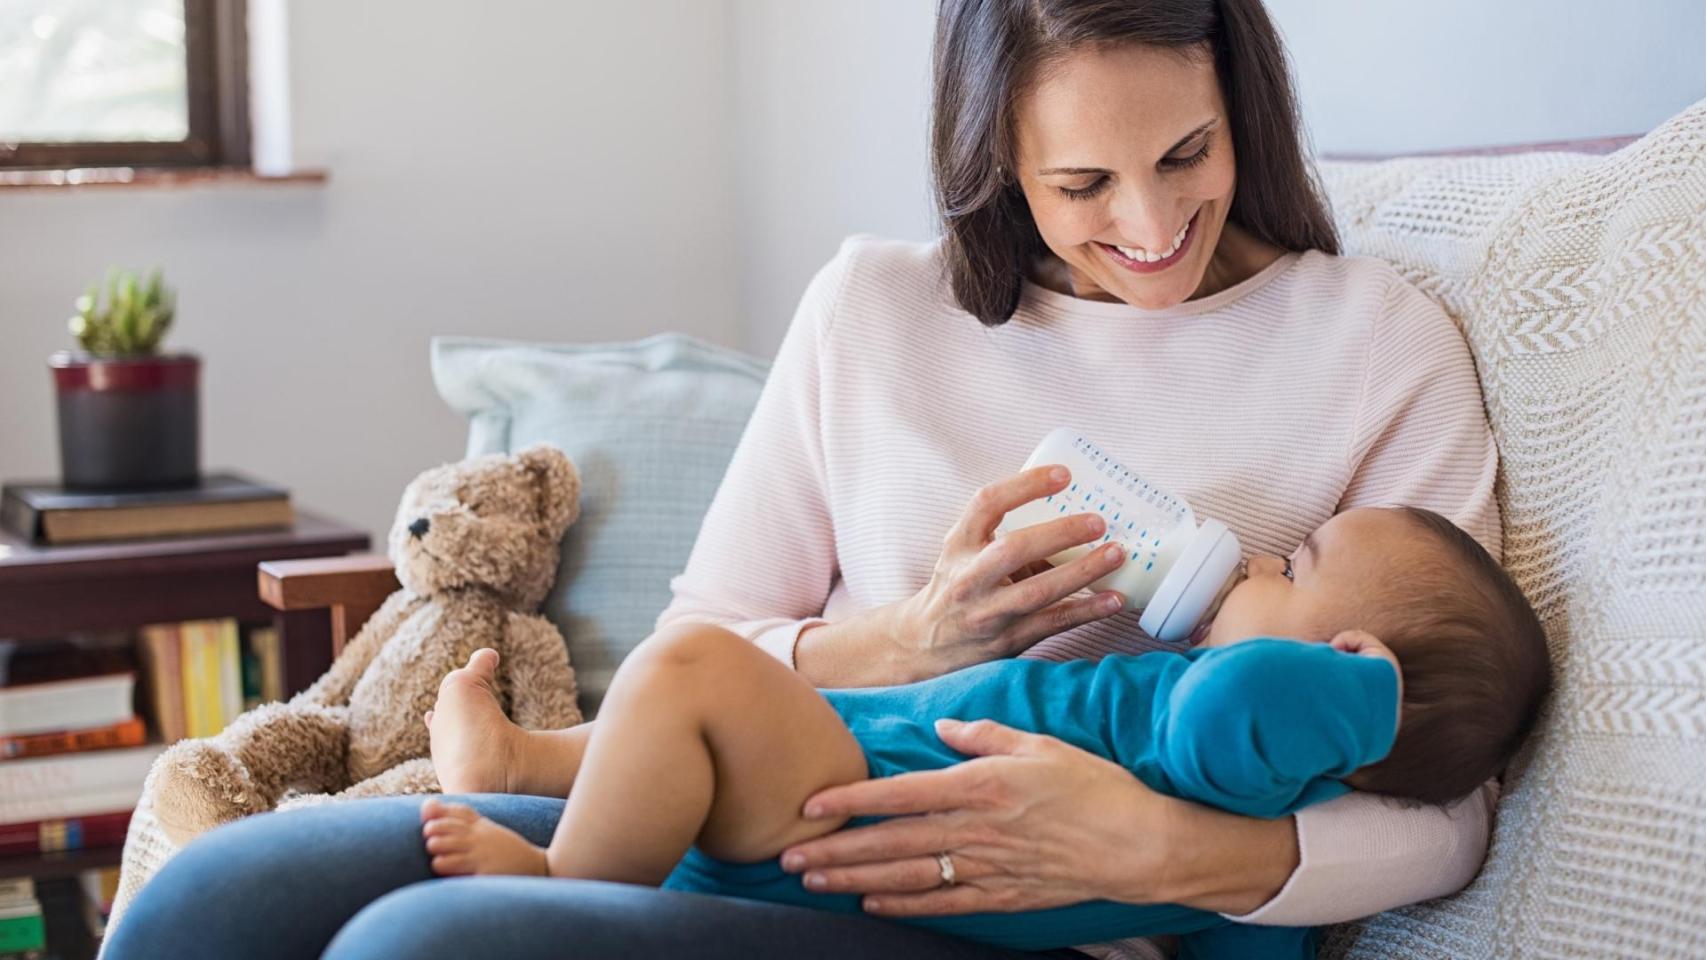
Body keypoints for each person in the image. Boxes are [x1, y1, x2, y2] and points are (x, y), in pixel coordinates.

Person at [103, 2, 1507, 958]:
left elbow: (1448, 794)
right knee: (226, 892)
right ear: (996, 164)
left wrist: (1150, 849)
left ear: (1239, 101)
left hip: (1035, 921)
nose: (1148, 228)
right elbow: (694, 646)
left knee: (422, 944)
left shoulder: (1370, 340)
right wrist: (909, 639)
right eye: (1081, 186)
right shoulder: (874, 312)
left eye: (1186, 154)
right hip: (768, 807)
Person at [415, 506, 1549, 958]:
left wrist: (1350, 696)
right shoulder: (1241, 820)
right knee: (699, 713)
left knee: (692, 676)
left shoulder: (1226, 738)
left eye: (1291, 568)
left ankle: (565, 875)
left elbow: (1247, 707)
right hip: (852, 757)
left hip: (853, 800)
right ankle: (526, 763)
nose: (1256, 558)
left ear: (1345, 671)